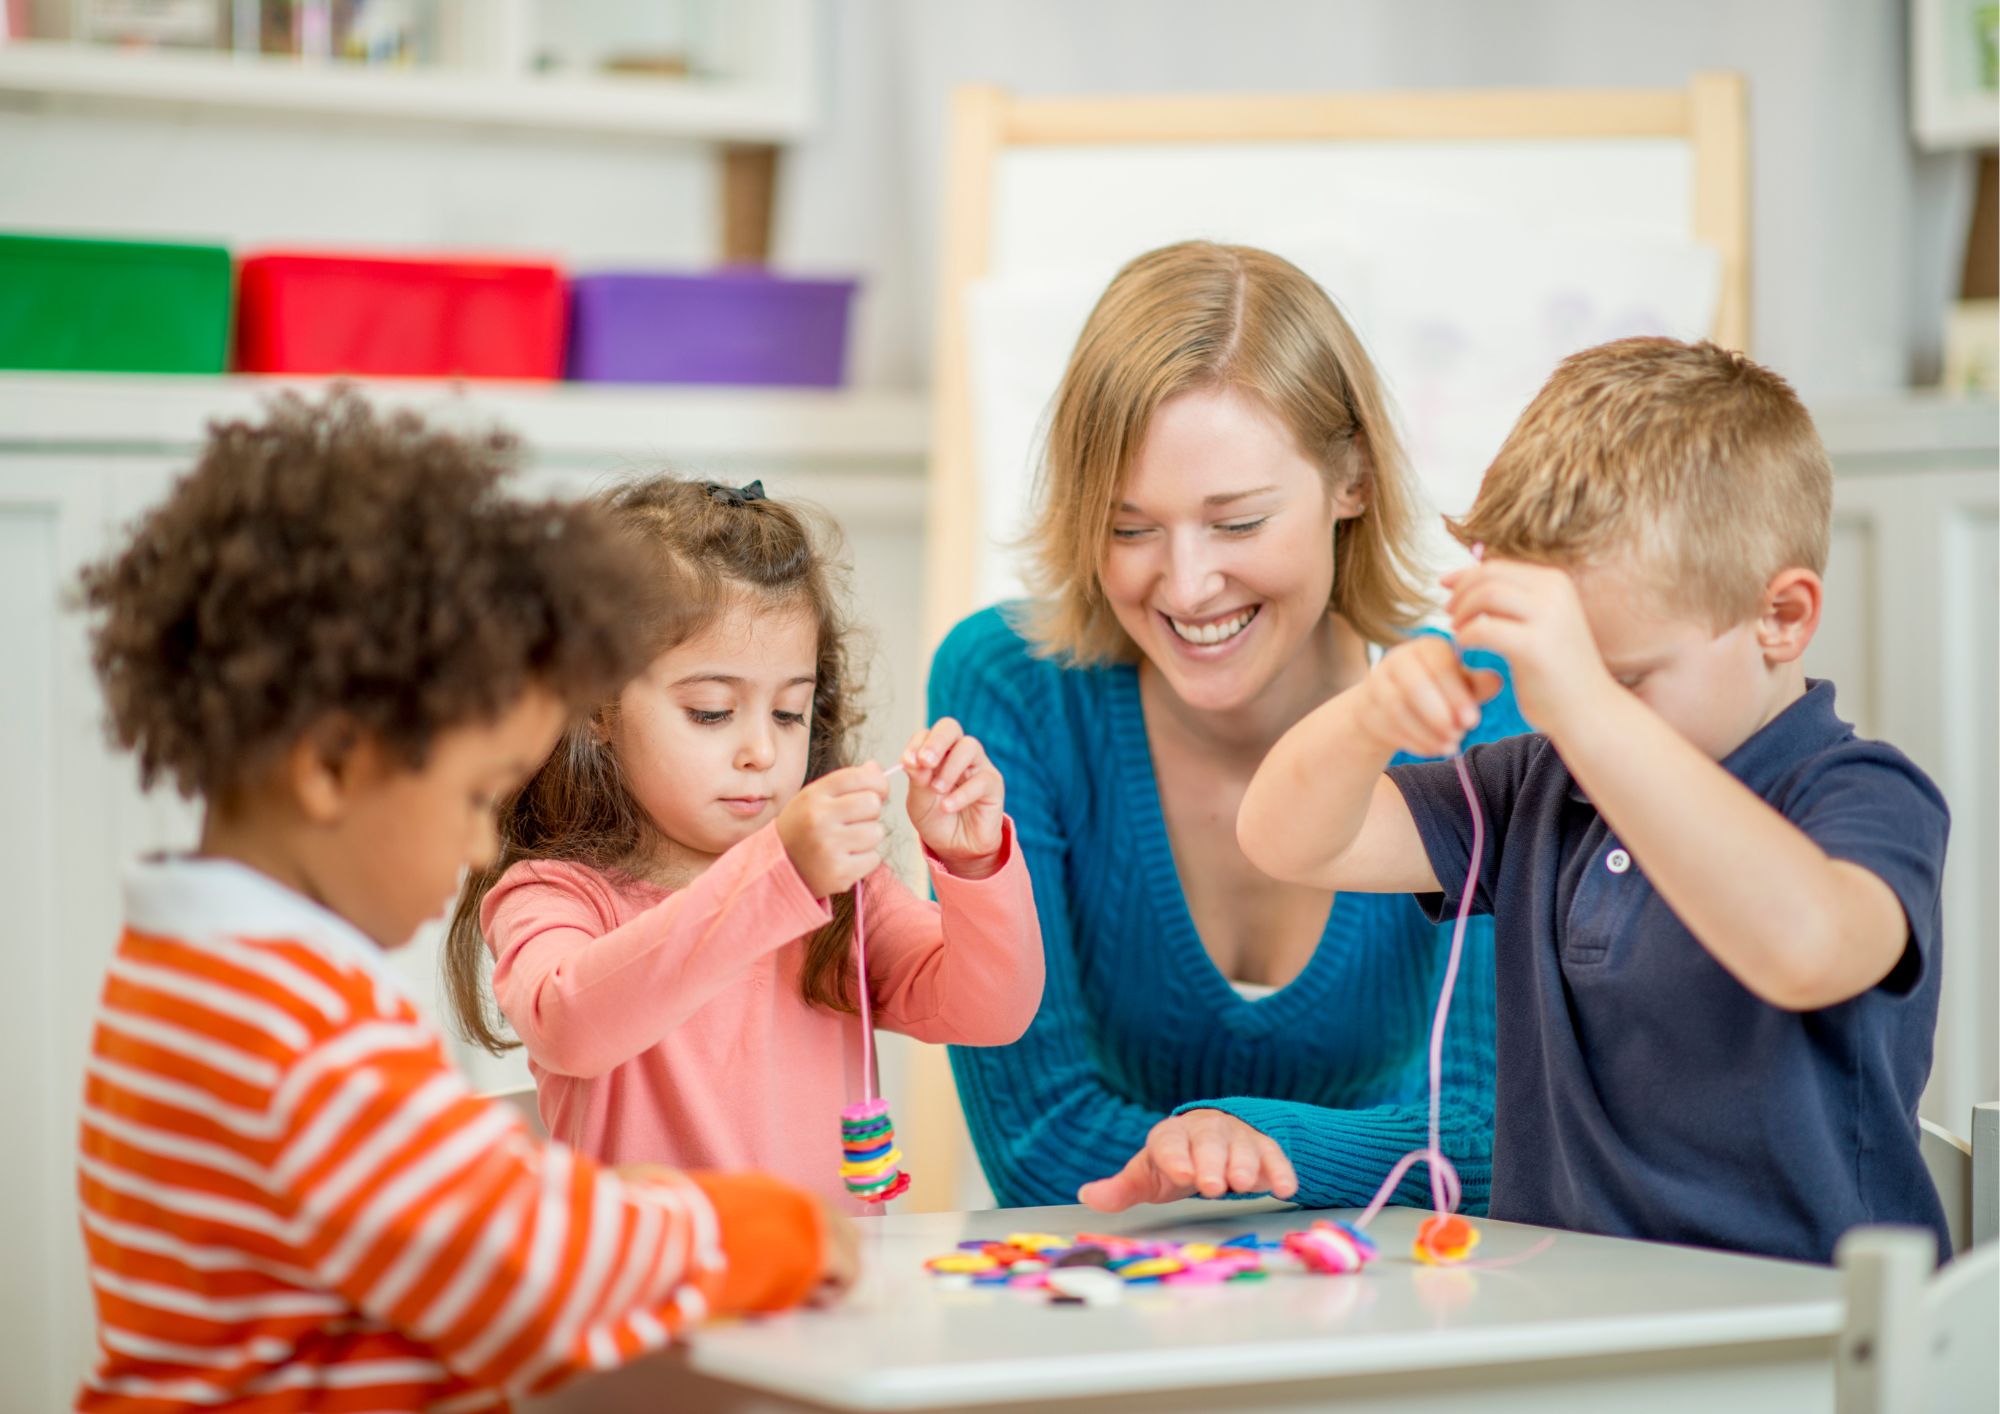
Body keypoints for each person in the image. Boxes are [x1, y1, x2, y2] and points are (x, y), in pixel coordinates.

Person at [73, 394, 854, 1412]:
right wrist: (764, 1230)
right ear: (334, 764)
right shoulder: (295, 1035)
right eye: (477, 795)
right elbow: (530, 1264)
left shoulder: (181, 978)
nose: (485, 840)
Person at [1240, 338, 1950, 1264]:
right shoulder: (1543, 783)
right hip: (1578, 1315)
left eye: (1621, 678)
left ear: (1781, 618)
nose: (1575, 714)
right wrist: (1372, 714)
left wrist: (1582, 701)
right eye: (1561, 679)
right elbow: (1286, 841)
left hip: (1815, 1342)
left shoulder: (1863, 793)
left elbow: (1807, 948)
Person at [929, 240, 1527, 1212]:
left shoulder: (1479, 705)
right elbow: (1037, 1144)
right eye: (1129, 527)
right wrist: (1301, 1160)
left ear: (1354, 481)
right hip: (1101, 1304)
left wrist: (1245, 1147)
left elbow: (1496, 1134)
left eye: (1237, 521)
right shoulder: (1008, 686)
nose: (1186, 582)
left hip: (1402, 1304)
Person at [446, 475, 1043, 1210]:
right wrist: (776, 875)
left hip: (831, 1299)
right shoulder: (555, 894)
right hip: (660, 1304)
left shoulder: (841, 892)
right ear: (595, 706)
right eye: (711, 712)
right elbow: (569, 1024)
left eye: (789, 713)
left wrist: (973, 861)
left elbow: (995, 1011)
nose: (762, 749)